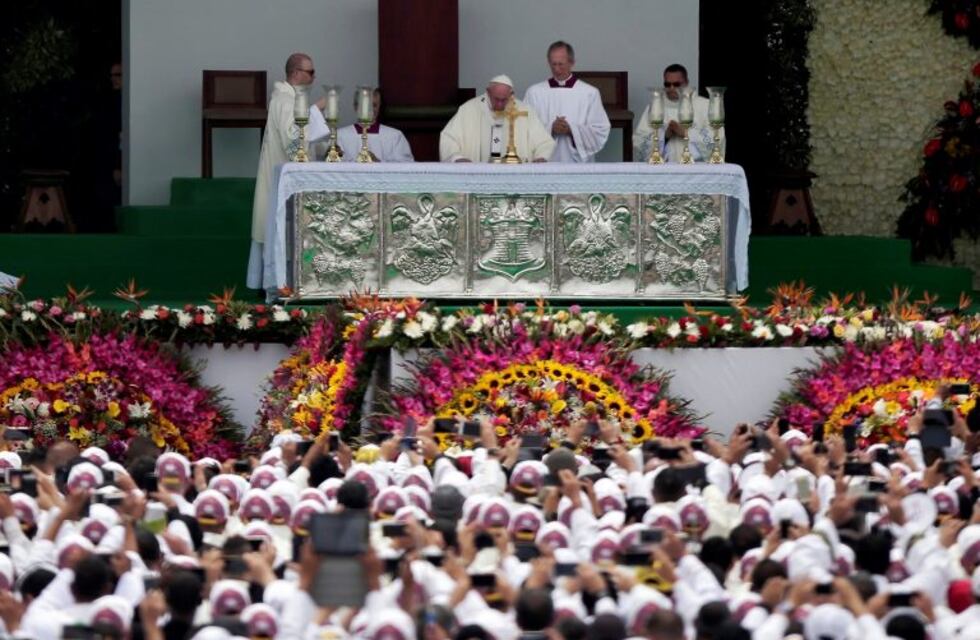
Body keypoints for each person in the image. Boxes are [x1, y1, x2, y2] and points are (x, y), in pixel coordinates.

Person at [247, 53, 329, 291]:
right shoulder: (284, 100)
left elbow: (306, 139)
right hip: (283, 183)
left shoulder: (291, 99)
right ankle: (280, 284)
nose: (314, 77)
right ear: (295, 73)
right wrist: (316, 110)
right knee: (282, 231)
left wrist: (328, 148)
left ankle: (292, 281)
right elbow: (293, 143)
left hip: (291, 180)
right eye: (310, 72)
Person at [523, 41, 610, 163]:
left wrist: (571, 130)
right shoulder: (534, 92)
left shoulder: (589, 93)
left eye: (561, 64)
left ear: (571, 63)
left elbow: (600, 130)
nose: (557, 69)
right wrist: (551, 128)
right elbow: (524, 127)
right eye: (553, 64)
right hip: (544, 162)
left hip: (578, 164)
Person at [439, 75, 555, 163]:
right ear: (488, 92)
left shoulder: (524, 111)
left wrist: (542, 157)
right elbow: (449, 138)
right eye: (496, 99)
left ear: (511, 94)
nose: (500, 105)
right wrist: (457, 158)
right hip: (478, 177)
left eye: (504, 100)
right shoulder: (469, 109)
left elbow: (544, 142)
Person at [633, 63, 721, 163]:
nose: (671, 88)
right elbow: (640, 140)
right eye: (667, 84)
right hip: (665, 168)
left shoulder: (705, 105)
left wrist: (685, 133)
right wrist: (664, 136)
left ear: (686, 83)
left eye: (676, 84)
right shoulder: (655, 107)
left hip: (697, 167)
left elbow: (717, 140)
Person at [335, 89, 414, 162]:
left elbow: (405, 166)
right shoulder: (340, 136)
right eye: (366, 105)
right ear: (355, 107)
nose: (370, 109)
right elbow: (334, 167)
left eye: (374, 105)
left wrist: (378, 163)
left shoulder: (395, 136)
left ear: (379, 107)